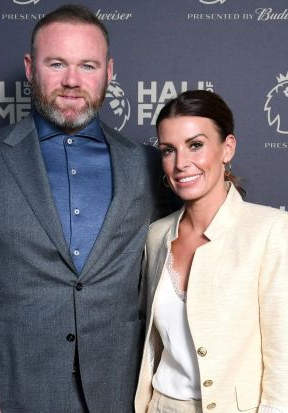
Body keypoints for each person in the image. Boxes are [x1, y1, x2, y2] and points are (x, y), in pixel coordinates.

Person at [0, 4, 174, 412]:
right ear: (31, 68)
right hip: (17, 394)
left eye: (87, 65)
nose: (71, 81)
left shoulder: (147, 166)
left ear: (109, 71)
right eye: (57, 64)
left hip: (120, 393)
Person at [134, 90, 288, 412]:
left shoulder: (271, 229)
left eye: (196, 145)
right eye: (168, 150)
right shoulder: (156, 235)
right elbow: (154, 345)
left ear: (227, 148)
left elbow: (282, 359)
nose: (181, 164)